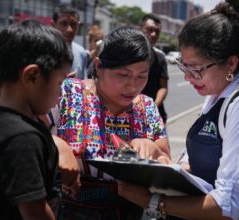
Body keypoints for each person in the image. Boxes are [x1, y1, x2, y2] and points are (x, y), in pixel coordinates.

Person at [117, 1, 239, 219]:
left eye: (196, 69)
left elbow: (228, 207)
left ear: (231, 63)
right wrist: (165, 166)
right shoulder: (218, 95)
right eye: (184, 66)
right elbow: (204, 164)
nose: (187, 76)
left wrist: (152, 201)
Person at [57, 26, 170, 219]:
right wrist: (57, 144)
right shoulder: (68, 94)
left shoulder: (146, 107)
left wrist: (153, 149)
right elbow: (28, 132)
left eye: (142, 76)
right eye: (123, 75)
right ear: (99, 66)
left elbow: (167, 164)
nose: (133, 85)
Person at [0, 19, 73, 219]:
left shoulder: (4, 120)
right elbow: (35, 213)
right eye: (59, 82)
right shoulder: (21, 138)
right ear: (32, 76)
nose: (61, 93)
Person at [140, 14, 169, 123]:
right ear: (140, 29)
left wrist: (152, 107)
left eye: (157, 31)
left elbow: (163, 87)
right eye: (150, 29)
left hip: (154, 116)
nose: (153, 34)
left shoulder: (160, 56)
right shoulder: (126, 54)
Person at [53, 3, 88, 79]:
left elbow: (83, 84)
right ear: (53, 25)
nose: (69, 30)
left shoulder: (81, 52)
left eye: (74, 24)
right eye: (64, 23)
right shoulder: (43, 51)